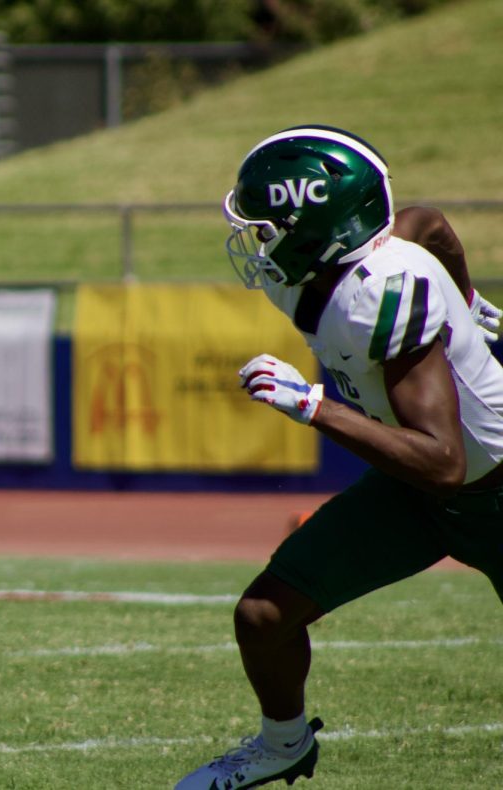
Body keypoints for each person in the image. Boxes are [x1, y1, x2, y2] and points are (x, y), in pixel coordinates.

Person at [174, 125, 503, 789]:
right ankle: (283, 745)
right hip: (414, 490)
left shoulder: (384, 290)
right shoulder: (316, 268)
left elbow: (445, 461)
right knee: (264, 615)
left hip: (490, 490)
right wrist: (471, 303)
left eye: (266, 227)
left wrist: (312, 405)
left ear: (313, 226)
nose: (256, 243)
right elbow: (428, 223)